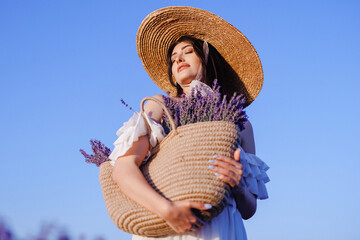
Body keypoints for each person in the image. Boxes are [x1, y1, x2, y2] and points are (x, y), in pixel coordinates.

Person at [108, 7, 270, 240]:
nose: (179, 59)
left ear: (206, 57)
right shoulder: (159, 106)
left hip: (223, 228)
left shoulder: (242, 124)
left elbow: (249, 209)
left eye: (187, 51)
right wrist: (167, 211)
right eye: (173, 58)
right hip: (170, 224)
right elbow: (123, 168)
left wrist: (239, 185)